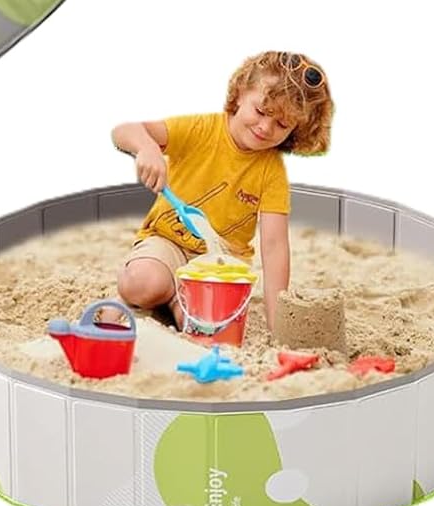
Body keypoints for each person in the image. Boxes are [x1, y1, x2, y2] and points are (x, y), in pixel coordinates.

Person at [110, 51, 334, 335]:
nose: (265, 127)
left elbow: (274, 246)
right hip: (168, 242)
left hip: (221, 263)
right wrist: (147, 148)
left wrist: (278, 324)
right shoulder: (202, 129)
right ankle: (163, 294)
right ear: (240, 94)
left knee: (209, 331)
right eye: (261, 111)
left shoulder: (272, 171)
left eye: (282, 124)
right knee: (141, 283)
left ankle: (175, 300)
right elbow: (124, 131)